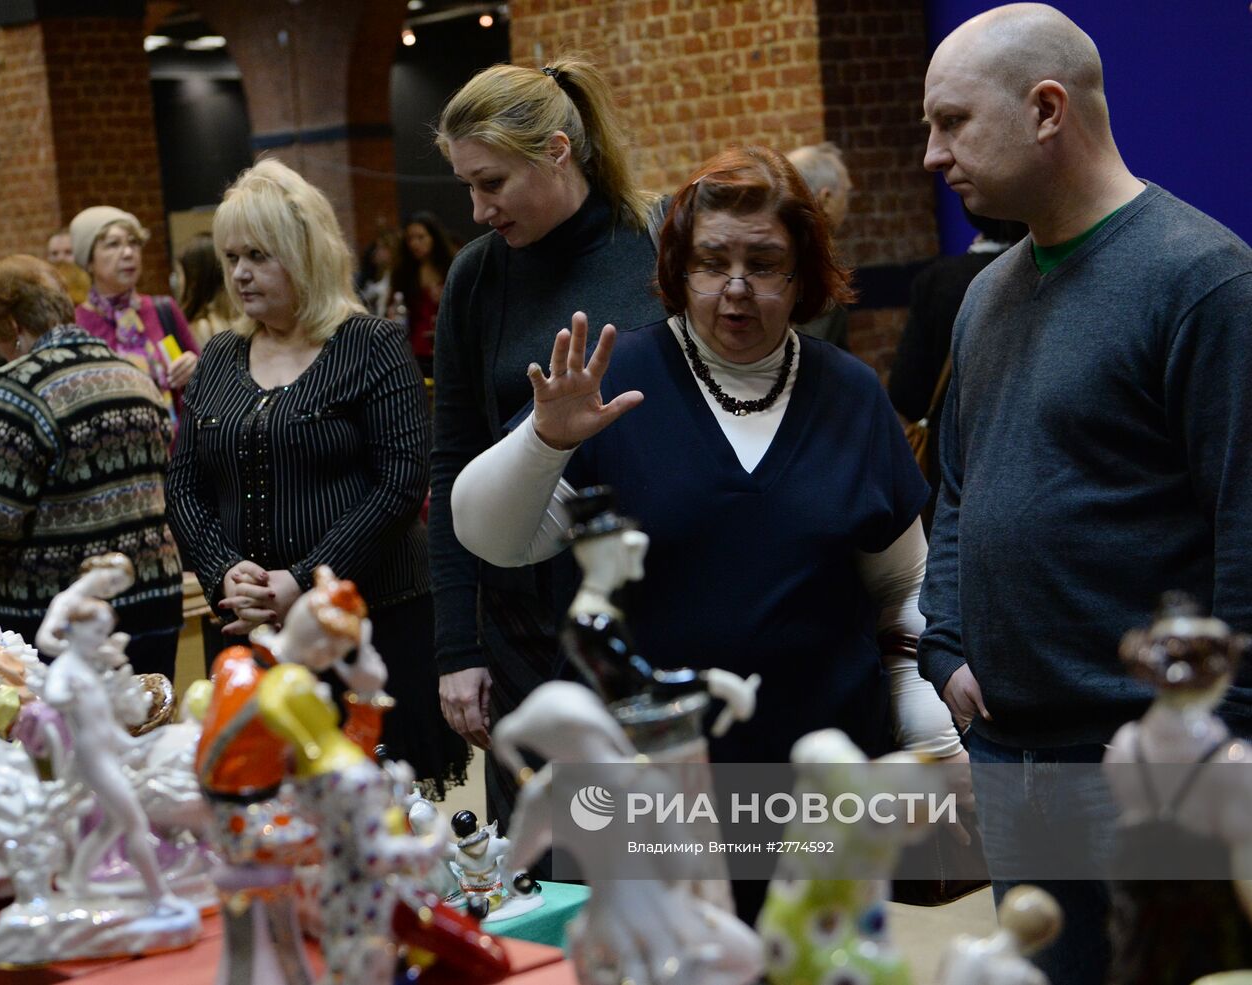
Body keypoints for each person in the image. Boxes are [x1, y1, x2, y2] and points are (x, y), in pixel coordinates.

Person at [451, 146, 963, 921]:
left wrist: (933, 740)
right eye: (711, 262)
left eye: (765, 263)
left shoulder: (852, 396)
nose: (736, 287)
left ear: (803, 272)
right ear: (677, 269)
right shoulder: (612, 384)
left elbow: (902, 588)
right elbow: (489, 536)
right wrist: (544, 440)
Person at [916, 5, 1252, 984]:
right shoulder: (984, 294)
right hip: (1010, 754)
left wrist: (1223, 737)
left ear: (1046, 110)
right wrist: (946, 642)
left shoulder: (1203, 280)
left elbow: (1245, 524)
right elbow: (959, 486)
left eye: (951, 122)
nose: (932, 155)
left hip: (1145, 765)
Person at [165, 158, 467, 797]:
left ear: (305, 255)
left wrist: (303, 581)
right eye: (231, 257)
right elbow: (185, 485)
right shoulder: (219, 354)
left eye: (258, 255)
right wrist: (223, 572)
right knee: (267, 810)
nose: (240, 273)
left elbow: (399, 483)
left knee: (375, 814)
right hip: (251, 628)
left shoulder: (370, 344)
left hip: (366, 625)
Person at [430, 56, 666, 832]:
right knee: (544, 857)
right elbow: (453, 458)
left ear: (558, 152)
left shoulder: (657, 242)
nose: (477, 209)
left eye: (491, 183)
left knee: (650, 848)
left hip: (652, 600)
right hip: (521, 619)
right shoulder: (475, 278)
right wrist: (457, 647)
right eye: (467, 186)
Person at [0, 255, 184, 678]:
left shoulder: (18, 387)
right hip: (155, 597)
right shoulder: (135, 377)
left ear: (14, 326)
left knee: (65, 723)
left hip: (62, 619)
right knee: (151, 716)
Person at [888, 206, 1025, 528]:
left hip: (953, 465)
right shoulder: (1044, 273)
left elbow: (906, 391)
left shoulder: (939, 281)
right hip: (1030, 461)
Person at [69, 205, 200, 437]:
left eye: (134, 243)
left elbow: (206, 377)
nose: (128, 253)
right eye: (113, 244)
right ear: (88, 261)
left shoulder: (163, 309)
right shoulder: (76, 324)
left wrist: (195, 367)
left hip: (178, 449)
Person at [785, 142, 852, 351]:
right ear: (826, 199)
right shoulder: (816, 259)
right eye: (846, 194)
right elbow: (813, 347)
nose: (847, 204)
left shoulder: (781, 249)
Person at [385, 212, 456, 376]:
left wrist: (446, 298)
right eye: (410, 238)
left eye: (421, 237)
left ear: (433, 238)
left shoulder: (450, 267)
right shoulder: (403, 272)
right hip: (414, 349)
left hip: (447, 346)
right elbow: (393, 306)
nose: (415, 244)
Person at [174, 232, 240, 349]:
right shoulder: (237, 320)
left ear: (194, 279)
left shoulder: (203, 327)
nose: (178, 281)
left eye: (179, 274)